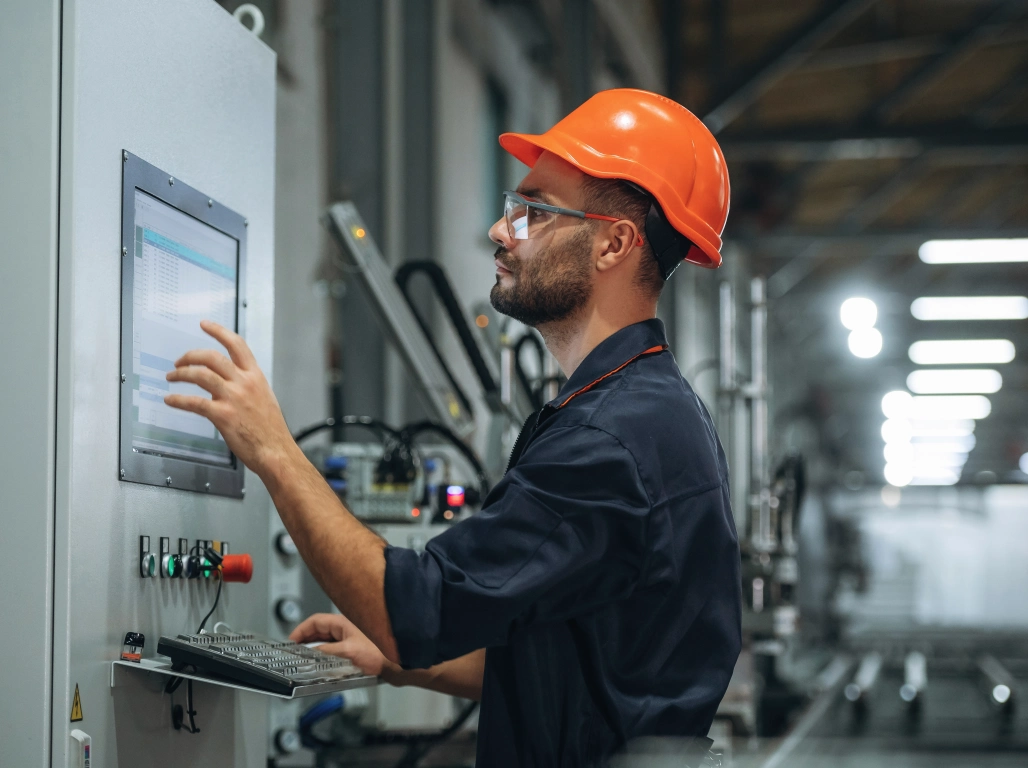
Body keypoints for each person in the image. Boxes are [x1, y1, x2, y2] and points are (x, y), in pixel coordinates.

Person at [165, 88, 741, 766]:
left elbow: (417, 610)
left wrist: (272, 450)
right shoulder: (633, 409)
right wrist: (394, 662)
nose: (502, 231)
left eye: (534, 212)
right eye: (510, 209)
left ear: (613, 244)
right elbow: (569, 673)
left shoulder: (611, 439)